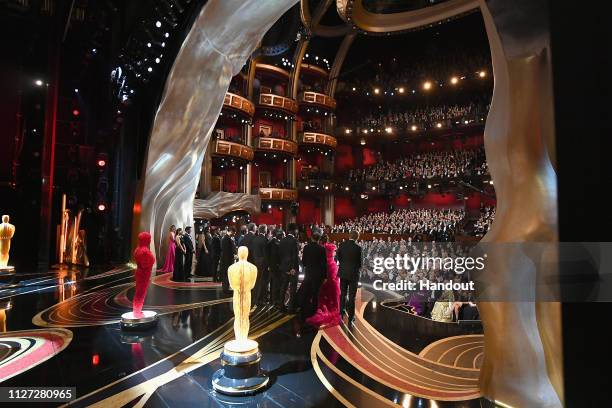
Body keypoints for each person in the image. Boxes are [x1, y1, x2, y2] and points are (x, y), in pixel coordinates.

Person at [306, 235, 341, 328]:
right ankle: (333, 307)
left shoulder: (321, 248)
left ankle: (320, 307)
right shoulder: (332, 247)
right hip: (332, 268)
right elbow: (334, 257)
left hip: (324, 269)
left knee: (322, 290)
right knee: (333, 291)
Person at [298, 229, 327, 320]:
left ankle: (304, 310)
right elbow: (324, 264)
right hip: (318, 275)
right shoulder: (322, 249)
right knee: (315, 293)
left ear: (311, 238)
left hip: (309, 273)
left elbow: (304, 262)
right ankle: (313, 312)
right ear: (319, 239)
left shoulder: (306, 247)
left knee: (306, 292)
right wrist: (325, 276)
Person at [338, 231, 362, 325]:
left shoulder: (342, 245)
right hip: (353, 274)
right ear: (357, 237)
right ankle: (351, 318)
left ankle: (341, 315)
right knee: (352, 297)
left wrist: (344, 265)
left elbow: (338, 257)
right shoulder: (358, 248)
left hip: (343, 273)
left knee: (342, 294)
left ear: (349, 236)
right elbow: (360, 263)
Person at [279, 223, 300, 313]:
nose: (297, 231)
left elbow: (280, 255)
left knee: (283, 287)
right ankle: (291, 308)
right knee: (292, 288)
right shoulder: (294, 241)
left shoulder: (282, 240)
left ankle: (281, 306)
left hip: (284, 267)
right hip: (292, 269)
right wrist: (293, 268)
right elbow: (295, 256)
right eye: (296, 230)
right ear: (294, 230)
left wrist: (283, 267)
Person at [251, 224, 269, 306]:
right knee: (263, 282)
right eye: (266, 229)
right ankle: (261, 300)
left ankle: (256, 299)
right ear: (264, 230)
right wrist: (268, 264)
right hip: (263, 263)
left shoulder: (255, 239)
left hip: (255, 261)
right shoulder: (265, 239)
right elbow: (266, 254)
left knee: (257, 281)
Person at [267, 229, 283, 307]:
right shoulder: (275, 243)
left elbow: (268, 255)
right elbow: (275, 256)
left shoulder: (270, 241)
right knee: (276, 284)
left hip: (271, 266)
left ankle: (271, 300)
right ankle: (275, 300)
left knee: (272, 283)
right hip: (276, 266)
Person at [220, 226, 237, 293]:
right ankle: (225, 289)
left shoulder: (225, 238)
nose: (234, 234)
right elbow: (229, 250)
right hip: (227, 260)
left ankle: (226, 288)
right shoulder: (227, 239)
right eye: (234, 232)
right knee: (226, 274)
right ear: (231, 231)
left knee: (226, 274)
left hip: (225, 259)